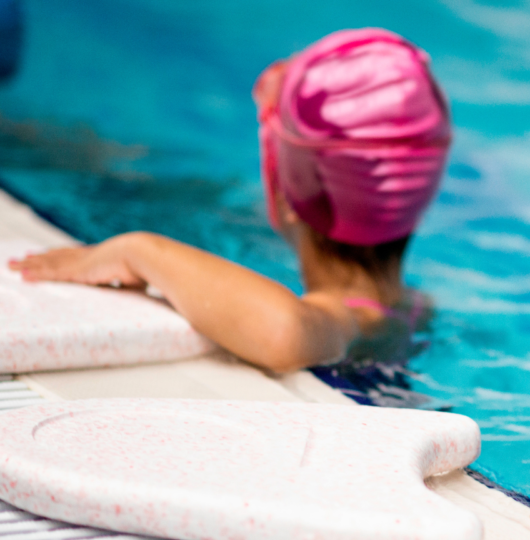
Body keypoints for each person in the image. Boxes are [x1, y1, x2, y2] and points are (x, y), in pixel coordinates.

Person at [7, 29, 451, 373]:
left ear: (291, 195)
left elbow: (284, 332)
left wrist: (140, 251)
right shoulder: (413, 306)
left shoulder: (347, 320)